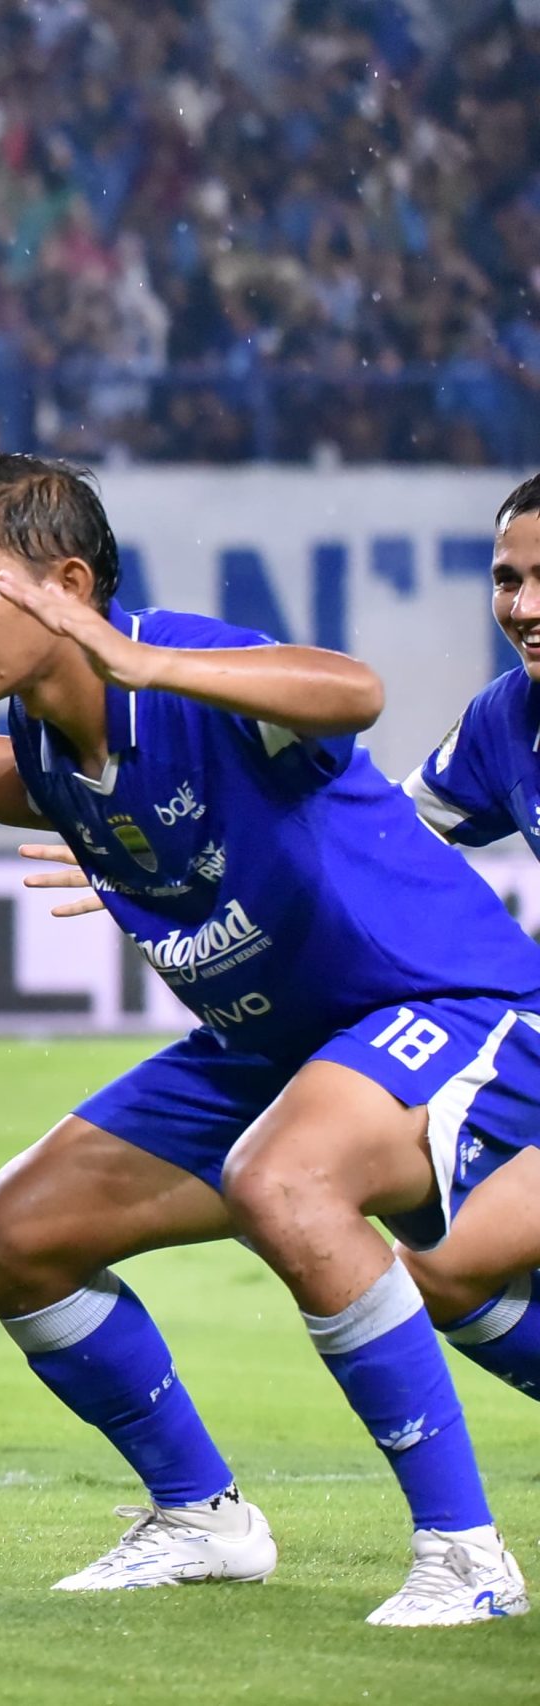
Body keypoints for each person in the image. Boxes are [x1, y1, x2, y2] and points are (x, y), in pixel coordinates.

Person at [0, 452, 537, 1626]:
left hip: (442, 1005)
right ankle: (201, 1516)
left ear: (68, 586)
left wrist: (146, 661)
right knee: (19, 1235)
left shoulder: (171, 663)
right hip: (273, 1041)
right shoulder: (52, 730)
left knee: (291, 1183)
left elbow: (350, 690)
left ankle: (465, 1553)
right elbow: (27, 783)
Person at [379, 471, 540, 1405]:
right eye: (507, 579)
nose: (524, 608)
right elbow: (378, 844)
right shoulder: (507, 719)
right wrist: (186, 860)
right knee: (438, 1267)